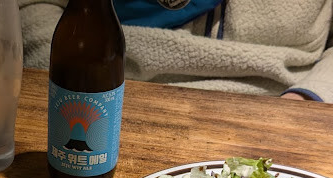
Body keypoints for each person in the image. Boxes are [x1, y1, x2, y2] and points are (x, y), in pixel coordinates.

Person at [18, 0, 333, 102]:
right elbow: (31, 7)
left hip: (280, 104)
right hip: (111, 94)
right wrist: (83, 83)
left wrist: (307, 99)